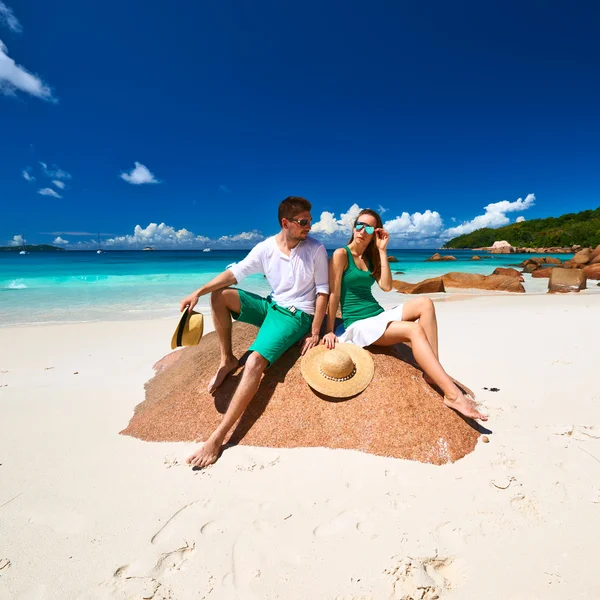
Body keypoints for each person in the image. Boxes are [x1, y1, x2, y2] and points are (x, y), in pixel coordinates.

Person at [179, 196, 330, 467]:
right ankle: (227, 359)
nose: (310, 226)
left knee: (254, 362)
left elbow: (323, 291)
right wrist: (197, 292)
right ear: (286, 223)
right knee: (220, 295)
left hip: (297, 316)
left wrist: (315, 330)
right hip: (271, 306)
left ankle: (218, 437)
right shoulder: (265, 248)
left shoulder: (316, 249)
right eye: (304, 222)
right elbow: (234, 274)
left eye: (310, 220)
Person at [322, 208, 487, 421]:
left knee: (425, 303)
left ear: (375, 232)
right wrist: (328, 330)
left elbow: (387, 287)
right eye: (359, 225)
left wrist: (382, 250)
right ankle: (453, 395)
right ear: (354, 227)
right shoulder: (341, 254)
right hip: (359, 324)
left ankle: (432, 371)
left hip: (377, 315)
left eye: (368, 227)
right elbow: (334, 293)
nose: (362, 230)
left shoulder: (371, 257)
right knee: (414, 329)